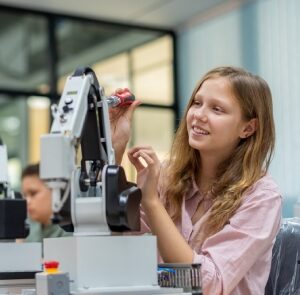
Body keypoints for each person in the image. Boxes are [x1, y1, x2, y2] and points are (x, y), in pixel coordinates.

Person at [111, 66, 282, 295]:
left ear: (248, 127)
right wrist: (115, 150)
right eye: (197, 103)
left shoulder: (262, 196)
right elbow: (120, 240)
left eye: (217, 109)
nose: (199, 115)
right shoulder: (166, 176)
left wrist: (151, 202)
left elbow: (209, 285)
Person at [21, 163, 72, 242]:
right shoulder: (30, 235)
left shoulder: (70, 233)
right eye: (25, 195)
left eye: (33, 193)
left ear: (56, 190)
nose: (27, 201)